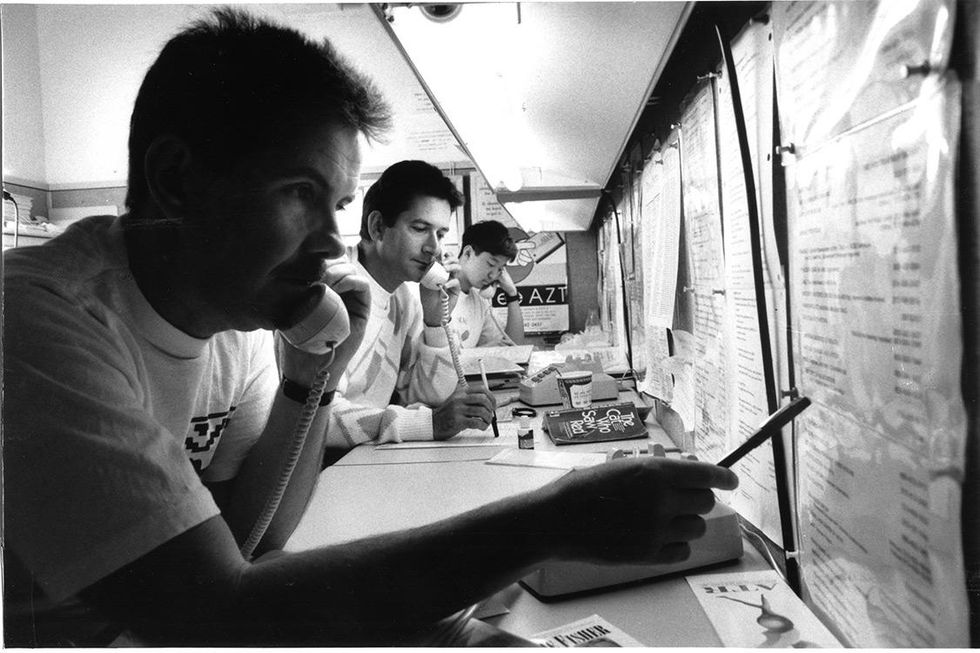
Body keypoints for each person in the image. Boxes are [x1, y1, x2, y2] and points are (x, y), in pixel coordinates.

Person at [3, 8, 739, 647]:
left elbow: (255, 536)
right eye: (298, 192)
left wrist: (310, 374)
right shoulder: (38, 319)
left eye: (335, 204)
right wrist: (546, 524)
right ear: (175, 180)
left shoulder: (239, 325)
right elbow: (211, 613)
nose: (331, 241)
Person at [326, 160, 496, 447]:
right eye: (419, 228)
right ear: (378, 227)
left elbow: (428, 396)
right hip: (324, 463)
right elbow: (317, 415)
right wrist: (429, 423)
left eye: (440, 234)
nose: (434, 248)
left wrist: (436, 322)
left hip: (365, 456)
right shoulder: (335, 289)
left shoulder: (404, 299)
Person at [452, 219, 526, 347]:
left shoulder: (481, 302)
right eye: (491, 264)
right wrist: (481, 353)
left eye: (500, 269)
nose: (493, 275)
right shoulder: (436, 293)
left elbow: (514, 346)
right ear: (468, 253)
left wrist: (512, 294)